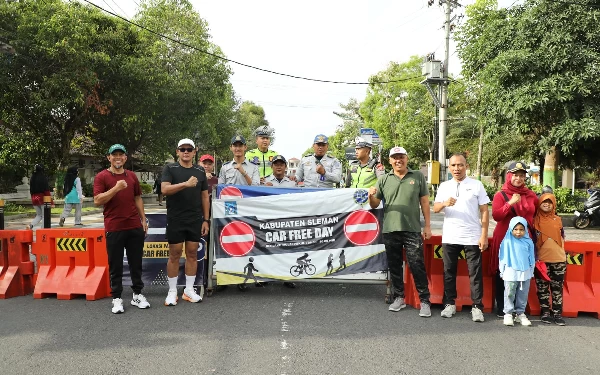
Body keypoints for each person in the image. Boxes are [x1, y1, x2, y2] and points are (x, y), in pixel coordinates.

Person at [368, 146, 432, 317]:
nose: (398, 160)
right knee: (395, 266)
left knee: (417, 265)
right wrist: (370, 195)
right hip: (390, 229)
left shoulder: (417, 176)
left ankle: (425, 300)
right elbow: (374, 204)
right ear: (390, 161)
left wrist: (427, 226)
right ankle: (399, 298)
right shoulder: (383, 179)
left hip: (412, 229)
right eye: (395, 157)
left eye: (401, 156)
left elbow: (425, 202)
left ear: (407, 158)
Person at [93, 144, 150, 314]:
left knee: (136, 263)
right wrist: (116, 188)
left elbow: (138, 198)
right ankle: (117, 298)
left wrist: (143, 219)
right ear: (108, 158)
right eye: (114, 155)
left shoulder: (131, 176)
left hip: (134, 225)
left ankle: (137, 294)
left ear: (126, 158)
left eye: (121, 155)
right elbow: (97, 200)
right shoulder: (102, 177)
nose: (118, 158)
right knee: (115, 264)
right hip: (114, 226)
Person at [433, 153, 490, 322]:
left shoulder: (477, 185)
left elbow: (484, 210)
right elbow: (435, 208)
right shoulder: (444, 186)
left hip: (472, 236)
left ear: (466, 166)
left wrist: (484, 235)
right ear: (449, 167)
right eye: (453, 166)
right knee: (448, 271)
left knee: (475, 273)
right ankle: (449, 303)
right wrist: (444, 203)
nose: (457, 169)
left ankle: (477, 306)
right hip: (450, 236)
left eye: (460, 165)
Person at [161, 138, 210, 306]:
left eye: (189, 149)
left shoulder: (200, 170)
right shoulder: (170, 168)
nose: (186, 152)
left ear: (195, 152)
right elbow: (165, 189)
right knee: (174, 254)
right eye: (183, 149)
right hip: (175, 218)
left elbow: (205, 196)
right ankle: (172, 291)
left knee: (192, 254)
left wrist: (206, 219)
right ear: (177, 152)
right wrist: (186, 184)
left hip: (195, 219)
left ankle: (189, 290)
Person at [490, 161, 538, 318]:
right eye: (515, 175)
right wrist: (510, 203)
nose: (518, 178)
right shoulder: (501, 195)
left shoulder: (531, 195)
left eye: (521, 176)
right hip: (505, 239)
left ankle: (519, 309)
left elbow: (536, 215)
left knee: (523, 272)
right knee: (503, 271)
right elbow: (496, 216)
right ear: (509, 176)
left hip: (524, 240)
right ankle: (503, 308)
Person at [533, 192, 567, 326]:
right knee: (542, 288)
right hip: (542, 261)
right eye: (543, 202)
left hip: (559, 260)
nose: (546, 204)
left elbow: (562, 236)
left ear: (554, 204)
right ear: (539, 203)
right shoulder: (535, 220)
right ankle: (545, 312)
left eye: (550, 202)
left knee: (557, 288)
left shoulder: (558, 220)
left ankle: (557, 313)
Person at [499, 216, 535, 327]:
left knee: (523, 294)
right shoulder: (507, 241)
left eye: (521, 229)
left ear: (525, 230)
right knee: (509, 292)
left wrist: (531, 270)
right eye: (515, 229)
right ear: (511, 229)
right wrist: (502, 271)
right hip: (510, 271)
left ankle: (520, 313)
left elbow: (531, 258)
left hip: (525, 272)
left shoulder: (528, 242)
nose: (518, 232)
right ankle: (508, 313)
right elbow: (502, 257)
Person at [29, 164, 52, 230]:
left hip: (34, 198)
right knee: (45, 215)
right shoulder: (43, 177)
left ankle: (31, 225)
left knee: (39, 215)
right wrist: (51, 201)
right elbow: (46, 190)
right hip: (42, 198)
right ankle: (43, 229)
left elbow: (31, 189)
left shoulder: (32, 177)